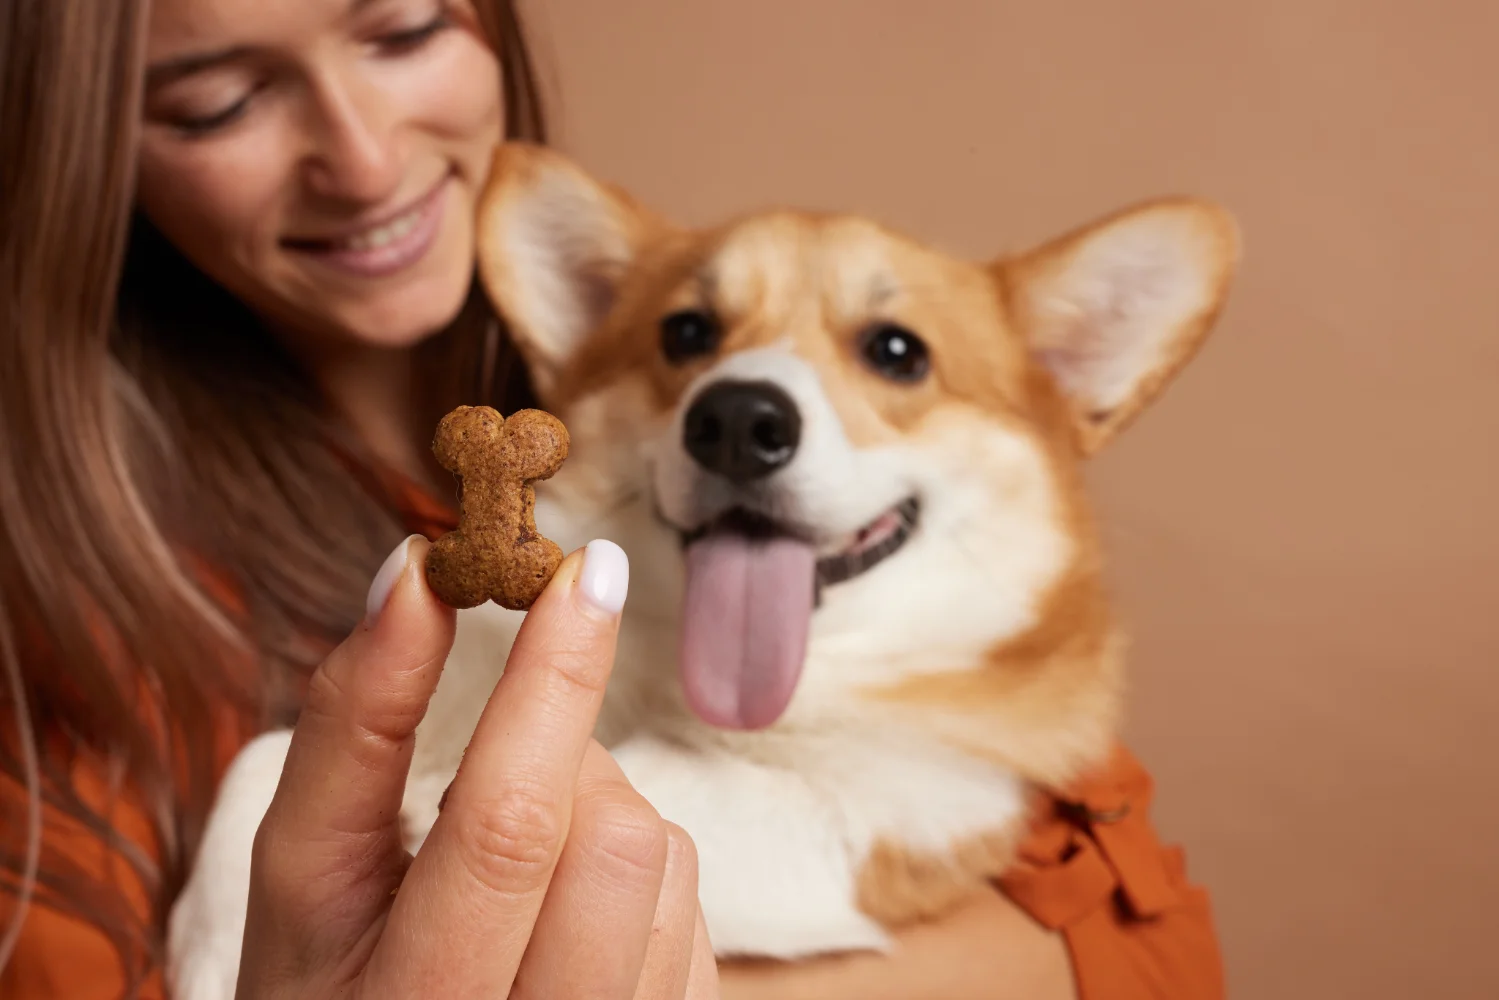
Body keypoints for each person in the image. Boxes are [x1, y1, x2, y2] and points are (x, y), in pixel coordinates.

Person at [0, 1, 1227, 997]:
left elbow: (1140, 942)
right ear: (88, 151)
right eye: (218, 99)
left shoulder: (932, 645)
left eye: (402, 31)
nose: (362, 158)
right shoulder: (73, 611)